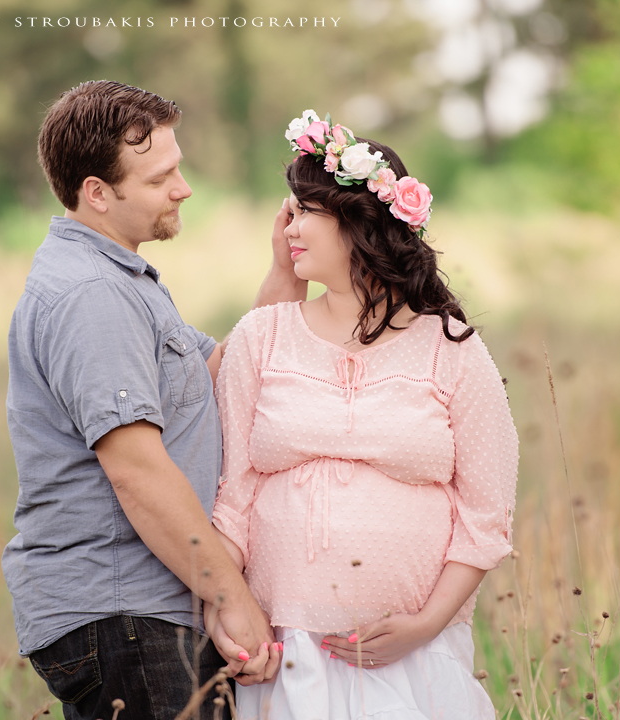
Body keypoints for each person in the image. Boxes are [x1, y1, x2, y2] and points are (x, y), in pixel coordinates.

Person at [2, 81, 302, 720]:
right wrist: (231, 597)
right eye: (162, 176)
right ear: (97, 193)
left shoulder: (120, 279)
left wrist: (286, 275)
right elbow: (135, 470)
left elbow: (219, 376)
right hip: (123, 613)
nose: (183, 187)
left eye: (179, 167)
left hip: (141, 612)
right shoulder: (92, 297)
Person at [210, 111, 519, 718]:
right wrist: (222, 610)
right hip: (286, 647)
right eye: (289, 213)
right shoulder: (260, 336)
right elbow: (232, 496)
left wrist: (426, 625)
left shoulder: (450, 347)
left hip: (412, 656)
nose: (288, 230)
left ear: (359, 220)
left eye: (305, 213)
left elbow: (487, 515)